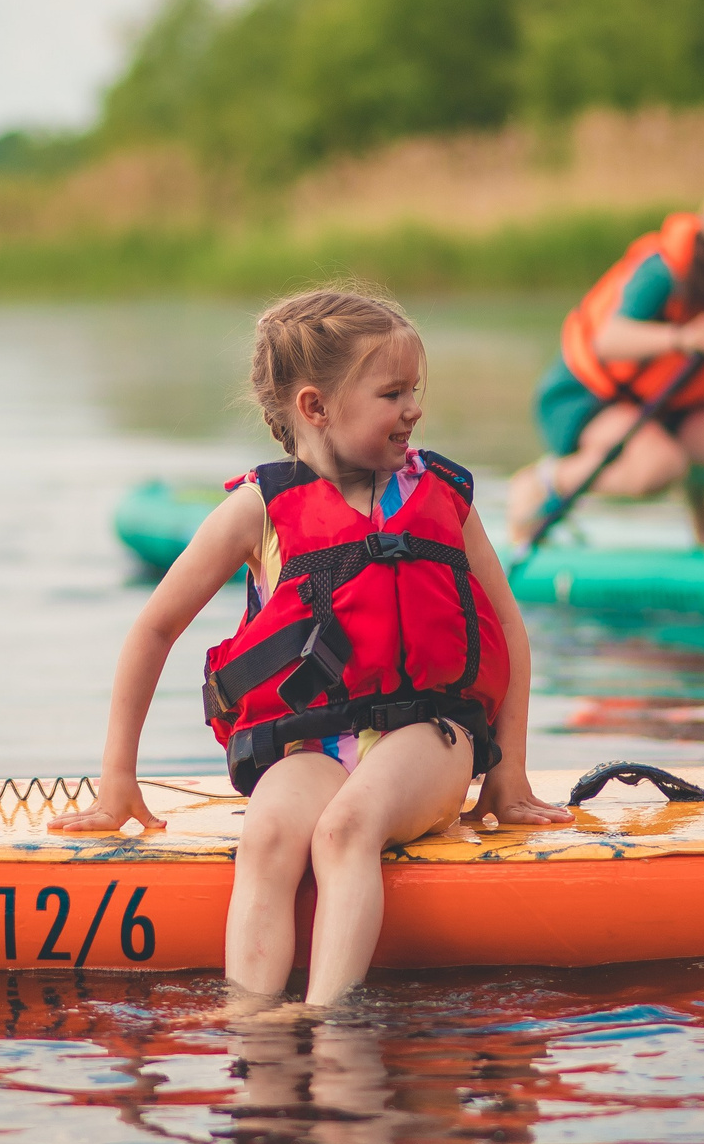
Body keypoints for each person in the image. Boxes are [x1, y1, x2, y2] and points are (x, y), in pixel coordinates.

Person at [52, 288, 569, 1009]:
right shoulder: (259, 509)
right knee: (265, 838)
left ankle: (333, 1032)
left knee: (346, 830)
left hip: (429, 735)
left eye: (413, 390)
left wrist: (507, 777)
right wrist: (117, 781)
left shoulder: (444, 495)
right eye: (393, 392)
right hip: (313, 746)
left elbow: (508, 628)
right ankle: (253, 1031)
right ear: (316, 407)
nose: (413, 408)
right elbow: (154, 629)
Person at [509, 176, 704, 549]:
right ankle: (541, 483)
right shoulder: (662, 273)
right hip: (584, 399)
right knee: (660, 465)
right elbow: (609, 341)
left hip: (665, 411)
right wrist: (683, 338)